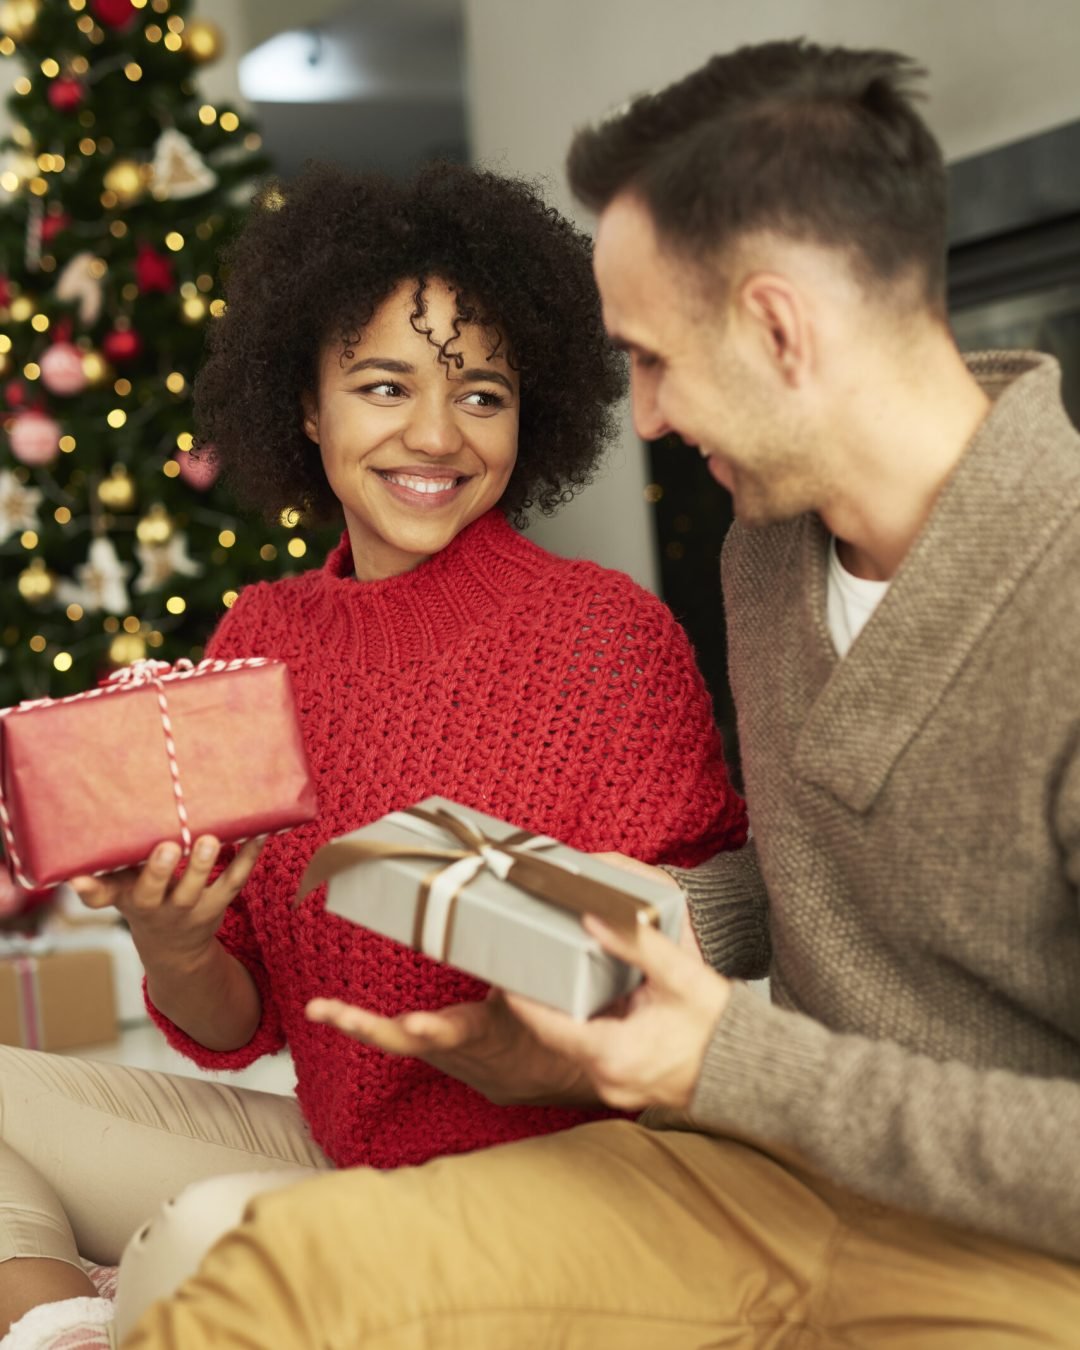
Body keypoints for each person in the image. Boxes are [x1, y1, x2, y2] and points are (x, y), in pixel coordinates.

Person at [117, 38, 1080, 1349]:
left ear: (777, 327)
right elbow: (827, 873)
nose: (653, 420)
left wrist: (714, 1055)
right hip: (760, 1173)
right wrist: (603, 909)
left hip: (1011, 1248)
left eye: (656, 360)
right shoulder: (768, 558)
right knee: (252, 1283)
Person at [0, 160, 747, 1342]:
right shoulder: (263, 639)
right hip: (341, 1152)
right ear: (307, 404)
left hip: (566, 1189)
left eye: (484, 394)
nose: (436, 435)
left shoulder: (605, 638)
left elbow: (708, 972)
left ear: (533, 410)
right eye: (385, 385)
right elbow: (232, 1019)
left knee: (196, 1245)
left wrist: (559, 963)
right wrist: (171, 936)